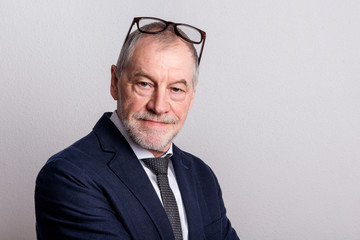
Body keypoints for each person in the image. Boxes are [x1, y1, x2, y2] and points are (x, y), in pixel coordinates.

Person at [35, 17, 240, 240]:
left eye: (176, 89)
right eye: (145, 84)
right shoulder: (69, 176)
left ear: (191, 96)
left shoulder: (202, 175)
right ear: (114, 83)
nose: (159, 106)